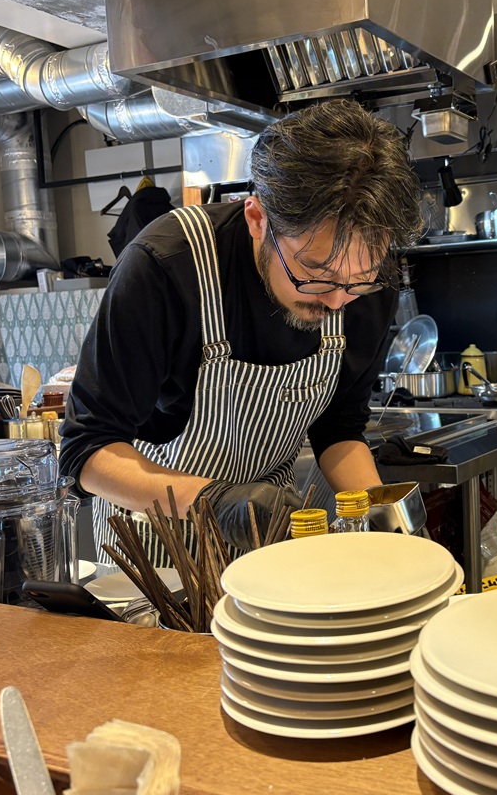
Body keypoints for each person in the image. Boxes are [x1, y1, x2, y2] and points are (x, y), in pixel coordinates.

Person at [60, 100, 422, 562]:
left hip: (272, 542)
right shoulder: (167, 265)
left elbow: (340, 429)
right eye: (314, 273)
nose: (336, 301)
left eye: (359, 279)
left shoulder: (363, 282)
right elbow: (86, 450)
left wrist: (387, 527)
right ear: (256, 218)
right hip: (160, 543)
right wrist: (214, 501)